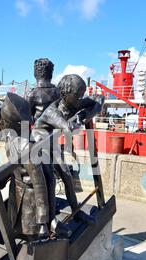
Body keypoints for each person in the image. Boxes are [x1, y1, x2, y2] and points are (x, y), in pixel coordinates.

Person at [34, 74, 103, 224]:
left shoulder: (73, 103)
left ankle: (76, 212)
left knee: (67, 177)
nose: (81, 98)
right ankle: (51, 221)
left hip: (52, 144)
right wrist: (87, 114)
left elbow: (99, 99)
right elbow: (68, 127)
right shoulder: (53, 112)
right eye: (78, 95)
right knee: (50, 182)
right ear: (66, 94)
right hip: (40, 146)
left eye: (82, 94)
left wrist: (89, 110)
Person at [0, 92, 51, 241]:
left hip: (29, 197)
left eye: (4, 121)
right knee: (17, 229)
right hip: (16, 190)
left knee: (30, 235)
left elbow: (39, 182)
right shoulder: (10, 139)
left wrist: (42, 219)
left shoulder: (27, 147)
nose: (1, 124)